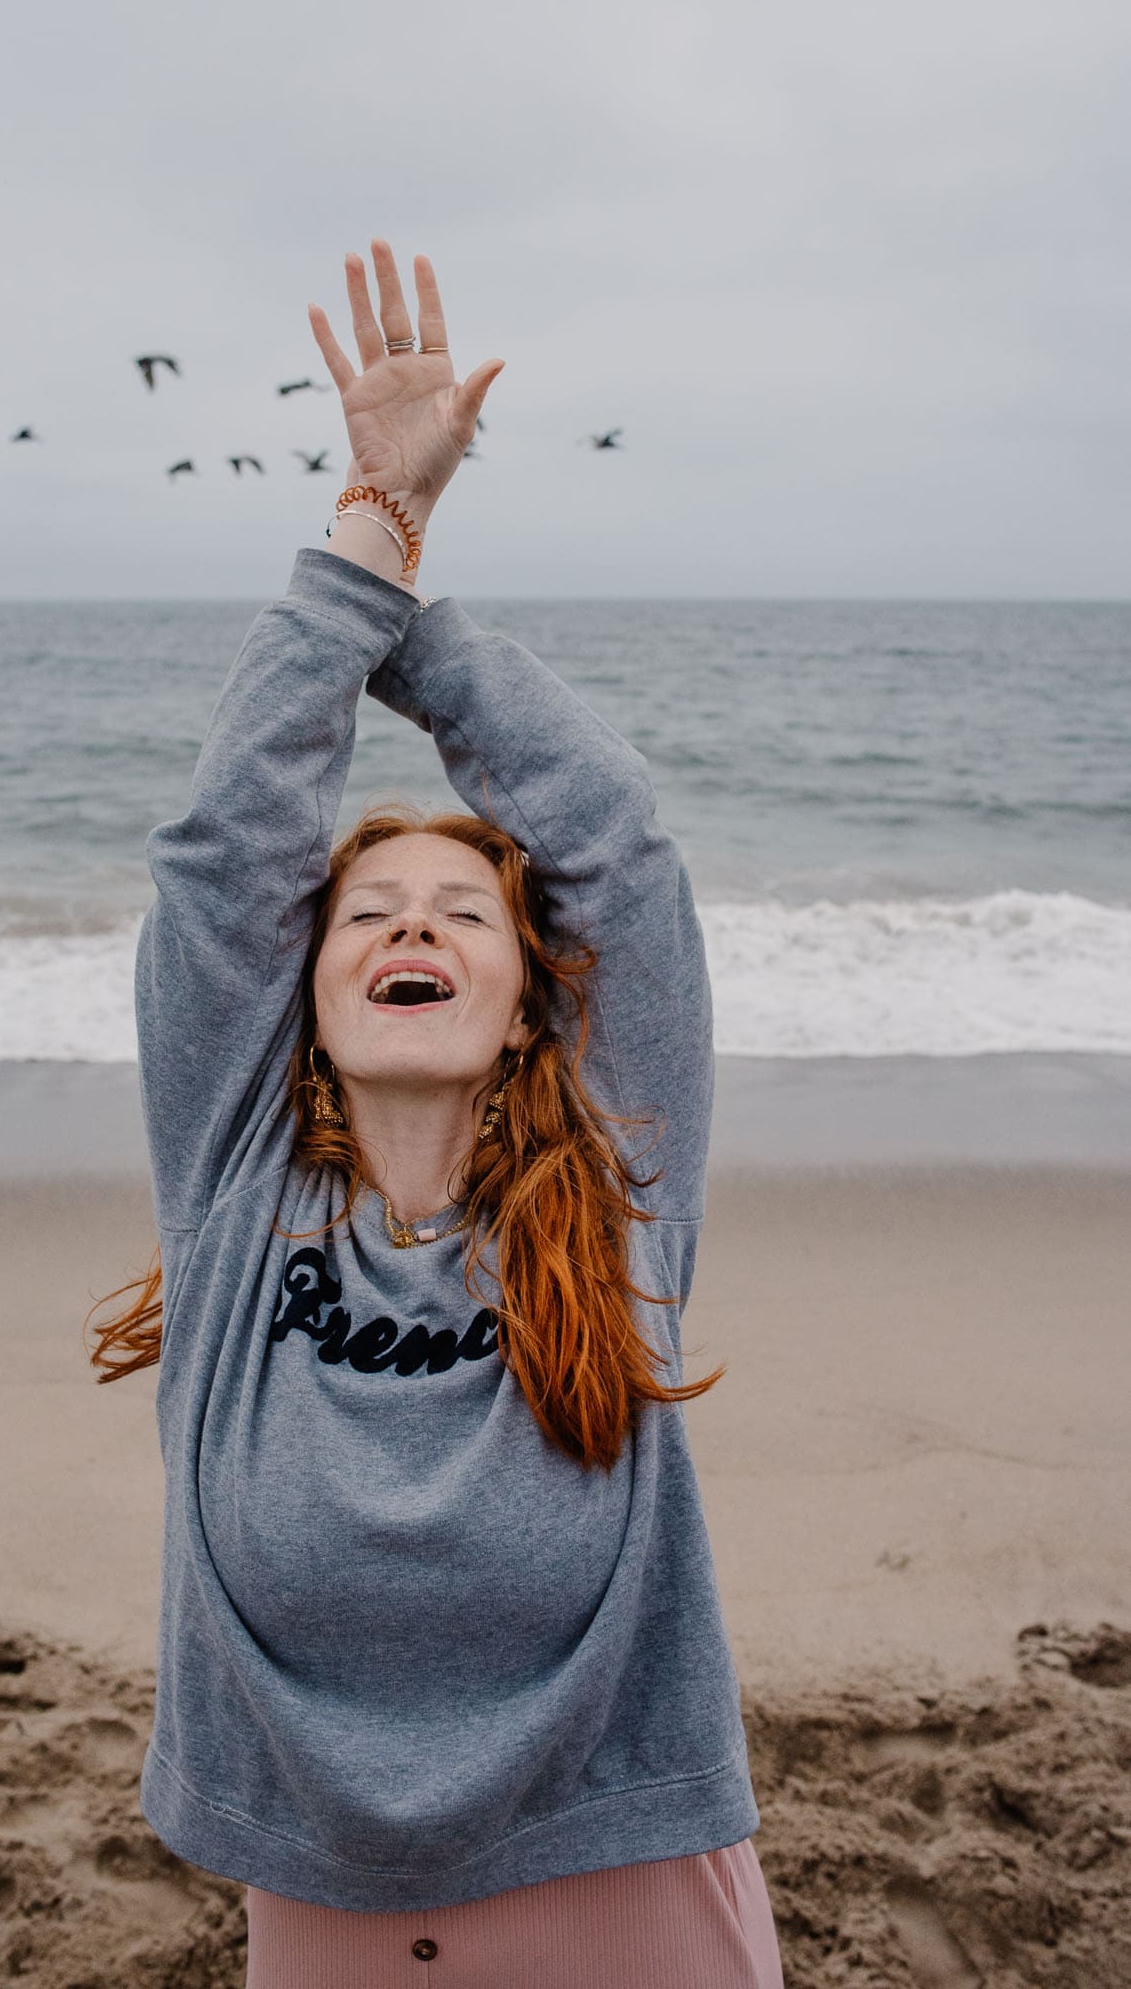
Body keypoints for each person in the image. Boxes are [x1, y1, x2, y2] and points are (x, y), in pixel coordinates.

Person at [100, 239, 784, 1986]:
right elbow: (221, 857)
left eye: (463, 911)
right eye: (369, 908)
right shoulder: (231, 1190)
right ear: (303, 994)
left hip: (621, 1880)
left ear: (524, 998)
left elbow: (620, 856)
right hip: (318, 1901)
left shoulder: (618, 1195)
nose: (412, 922)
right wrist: (365, 530)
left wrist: (416, 619)